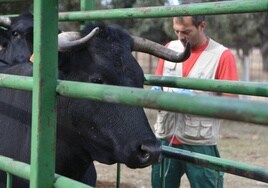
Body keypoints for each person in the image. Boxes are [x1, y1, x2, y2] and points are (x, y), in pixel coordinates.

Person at [151, 15, 239, 188]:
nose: (180, 37)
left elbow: (231, 102)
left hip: (199, 141)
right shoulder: (169, 48)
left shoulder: (221, 55)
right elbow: (157, 83)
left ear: (202, 26)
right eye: (176, 31)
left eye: (186, 32)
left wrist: (196, 100)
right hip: (166, 136)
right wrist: (157, 92)